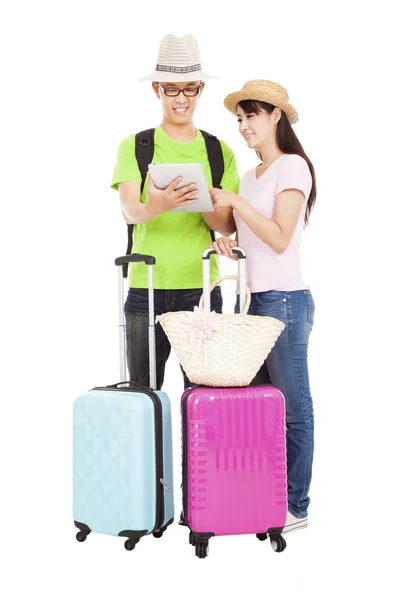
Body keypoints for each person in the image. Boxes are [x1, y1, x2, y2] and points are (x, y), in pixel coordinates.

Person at [209, 79, 316, 534]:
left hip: (286, 302)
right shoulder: (252, 177)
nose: (243, 125)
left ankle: (296, 504)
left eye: (251, 115)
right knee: (258, 409)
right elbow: (257, 239)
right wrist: (229, 242)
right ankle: (265, 493)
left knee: (293, 409)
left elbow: (278, 236)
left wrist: (234, 203)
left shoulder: (292, 167)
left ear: (275, 116)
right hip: (254, 302)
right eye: (239, 118)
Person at [111, 34, 240, 389]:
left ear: (201, 89)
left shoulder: (219, 152)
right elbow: (129, 210)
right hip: (145, 284)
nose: (181, 99)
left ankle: (197, 450)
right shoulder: (137, 146)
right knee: (141, 393)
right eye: (171, 89)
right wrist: (159, 205)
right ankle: (148, 449)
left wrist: (203, 202)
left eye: (189, 89)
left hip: (200, 288)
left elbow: (226, 225)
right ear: (156, 89)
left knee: (202, 396)